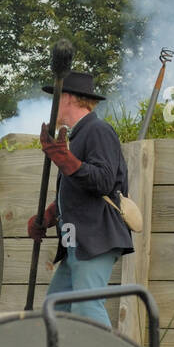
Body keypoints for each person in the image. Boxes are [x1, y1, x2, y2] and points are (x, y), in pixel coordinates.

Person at [26, 70, 133, 327]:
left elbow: (105, 181)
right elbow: (78, 191)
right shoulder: (79, 135)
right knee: (56, 309)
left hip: (94, 237)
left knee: (86, 306)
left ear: (70, 98)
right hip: (79, 241)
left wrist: (67, 161)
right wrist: (50, 215)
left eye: (57, 97)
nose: (53, 105)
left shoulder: (98, 130)